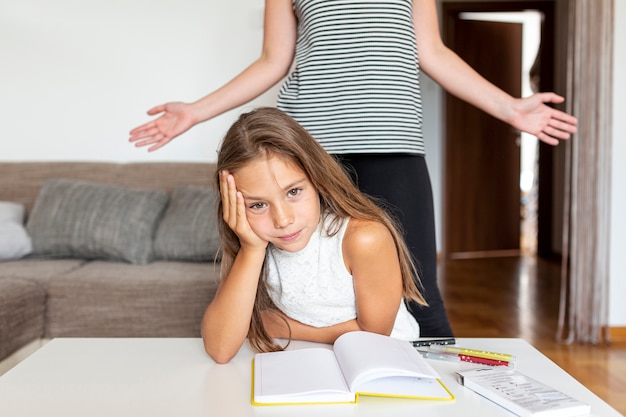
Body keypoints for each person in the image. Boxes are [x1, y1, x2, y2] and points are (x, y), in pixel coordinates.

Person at [129, 0, 578, 337]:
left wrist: (511, 109)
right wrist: (195, 111)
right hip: (313, 152)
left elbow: (433, 51)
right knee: (295, 279)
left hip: (393, 145)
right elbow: (274, 60)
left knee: (419, 291)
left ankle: (443, 400)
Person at [203, 107, 426, 364]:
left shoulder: (364, 238)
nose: (283, 220)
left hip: (383, 362)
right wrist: (251, 250)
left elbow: (373, 336)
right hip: (307, 361)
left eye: (294, 192)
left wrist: (283, 327)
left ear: (317, 179)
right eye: (258, 205)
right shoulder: (255, 242)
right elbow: (220, 349)